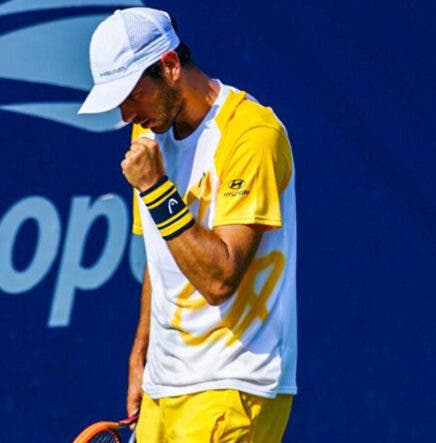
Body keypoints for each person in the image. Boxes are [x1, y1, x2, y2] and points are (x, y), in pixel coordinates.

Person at [78, 7, 297, 442]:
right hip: (163, 389)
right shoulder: (146, 133)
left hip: (234, 387)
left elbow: (220, 277)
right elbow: (160, 260)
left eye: (132, 95)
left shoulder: (252, 135)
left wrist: (157, 189)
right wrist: (141, 354)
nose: (126, 115)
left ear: (170, 65)